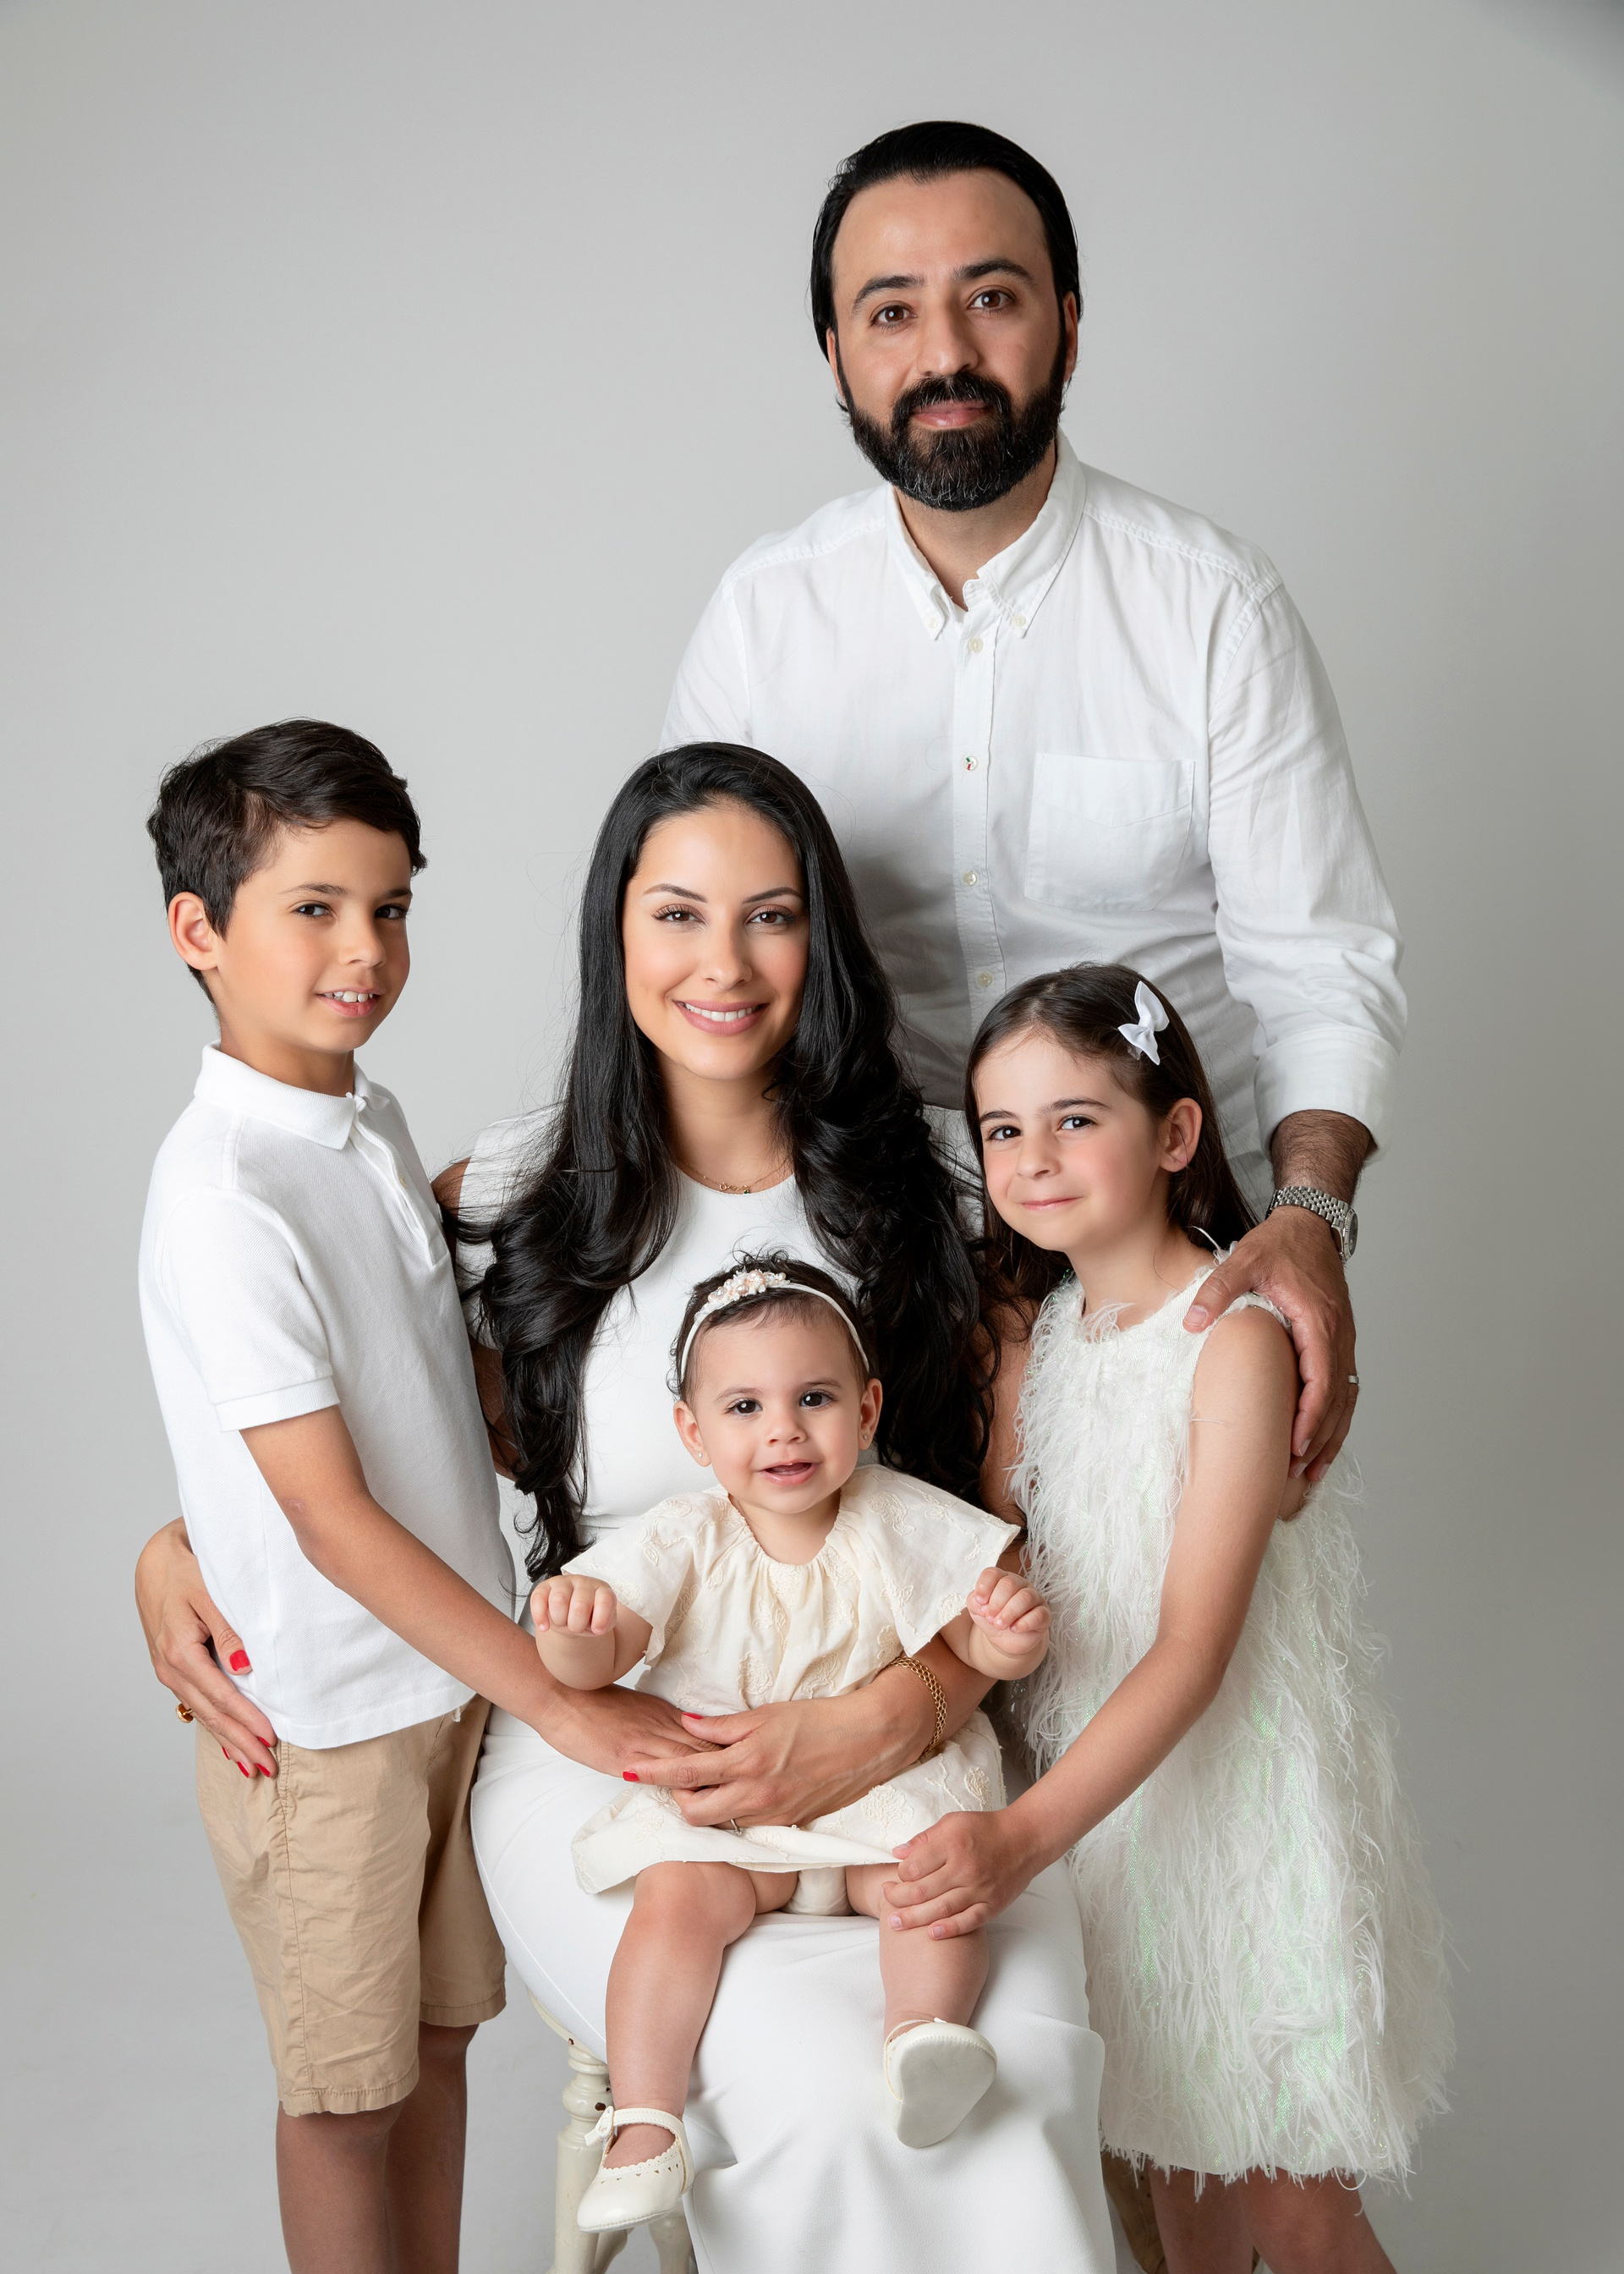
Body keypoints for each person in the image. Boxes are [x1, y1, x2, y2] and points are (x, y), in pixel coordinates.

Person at [448, 745, 1119, 2270]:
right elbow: (320, 1403)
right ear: (616, 929)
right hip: (626, 1754)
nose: (726, 964)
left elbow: (1015, 1520)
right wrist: (184, 1542)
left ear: (822, 938)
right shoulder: (516, 1190)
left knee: (1001, 2064)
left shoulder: (940, 1181)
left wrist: (889, 1714)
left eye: (772, 915)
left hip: (919, 1743)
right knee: (809, 2080)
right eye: (679, 914)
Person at [663, 118, 1405, 1492]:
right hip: (852, 1264)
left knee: (1164, 1627)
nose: (944, 353)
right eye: (891, 311)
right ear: (834, 352)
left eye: (992, 297)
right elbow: (689, 969)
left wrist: (1311, 1220)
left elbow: (1322, 969)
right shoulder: (764, 622)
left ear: (1068, 319)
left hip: (1167, 1262)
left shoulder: (1213, 608)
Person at [886, 964, 1451, 2274]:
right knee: (1184, 2196)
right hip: (1121, 1828)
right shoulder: (1038, 1342)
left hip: (1247, 1819)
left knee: (1296, 2208)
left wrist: (1019, 1838)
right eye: (1003, 1129)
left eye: (1076, 1119)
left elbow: (1194, 1649)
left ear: (1178, 1132)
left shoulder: (1235, 1342)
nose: (1033, 1158)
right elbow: (1009, 1558)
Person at [135, 722, 571, 2274]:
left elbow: (422, 1380)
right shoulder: (224, 1193)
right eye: (313, 907)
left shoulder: (365, 1119)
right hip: (325, 1723)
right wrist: (555, 1696)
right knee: (343, 2096)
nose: (366, 949)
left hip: (446, 1682)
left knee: (439, 2042)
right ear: (200, 931)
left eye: (390, 907)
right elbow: (326, 1515)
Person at [539, 1255, 1050, 2232]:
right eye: (744, 1407)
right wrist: (575, 1633)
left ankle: (922, 2041)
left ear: (867, 1410)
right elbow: (601, 1659)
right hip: (735, 1813)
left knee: (931, 1888)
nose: (783, 1429)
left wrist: (1005, 1637)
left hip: (881, 1793)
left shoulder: (901, 1516)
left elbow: (969, 1640)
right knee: (676, 1901)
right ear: (694, 1433)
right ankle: (645, 2121)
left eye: (814, 1398)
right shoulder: (682, 1537)